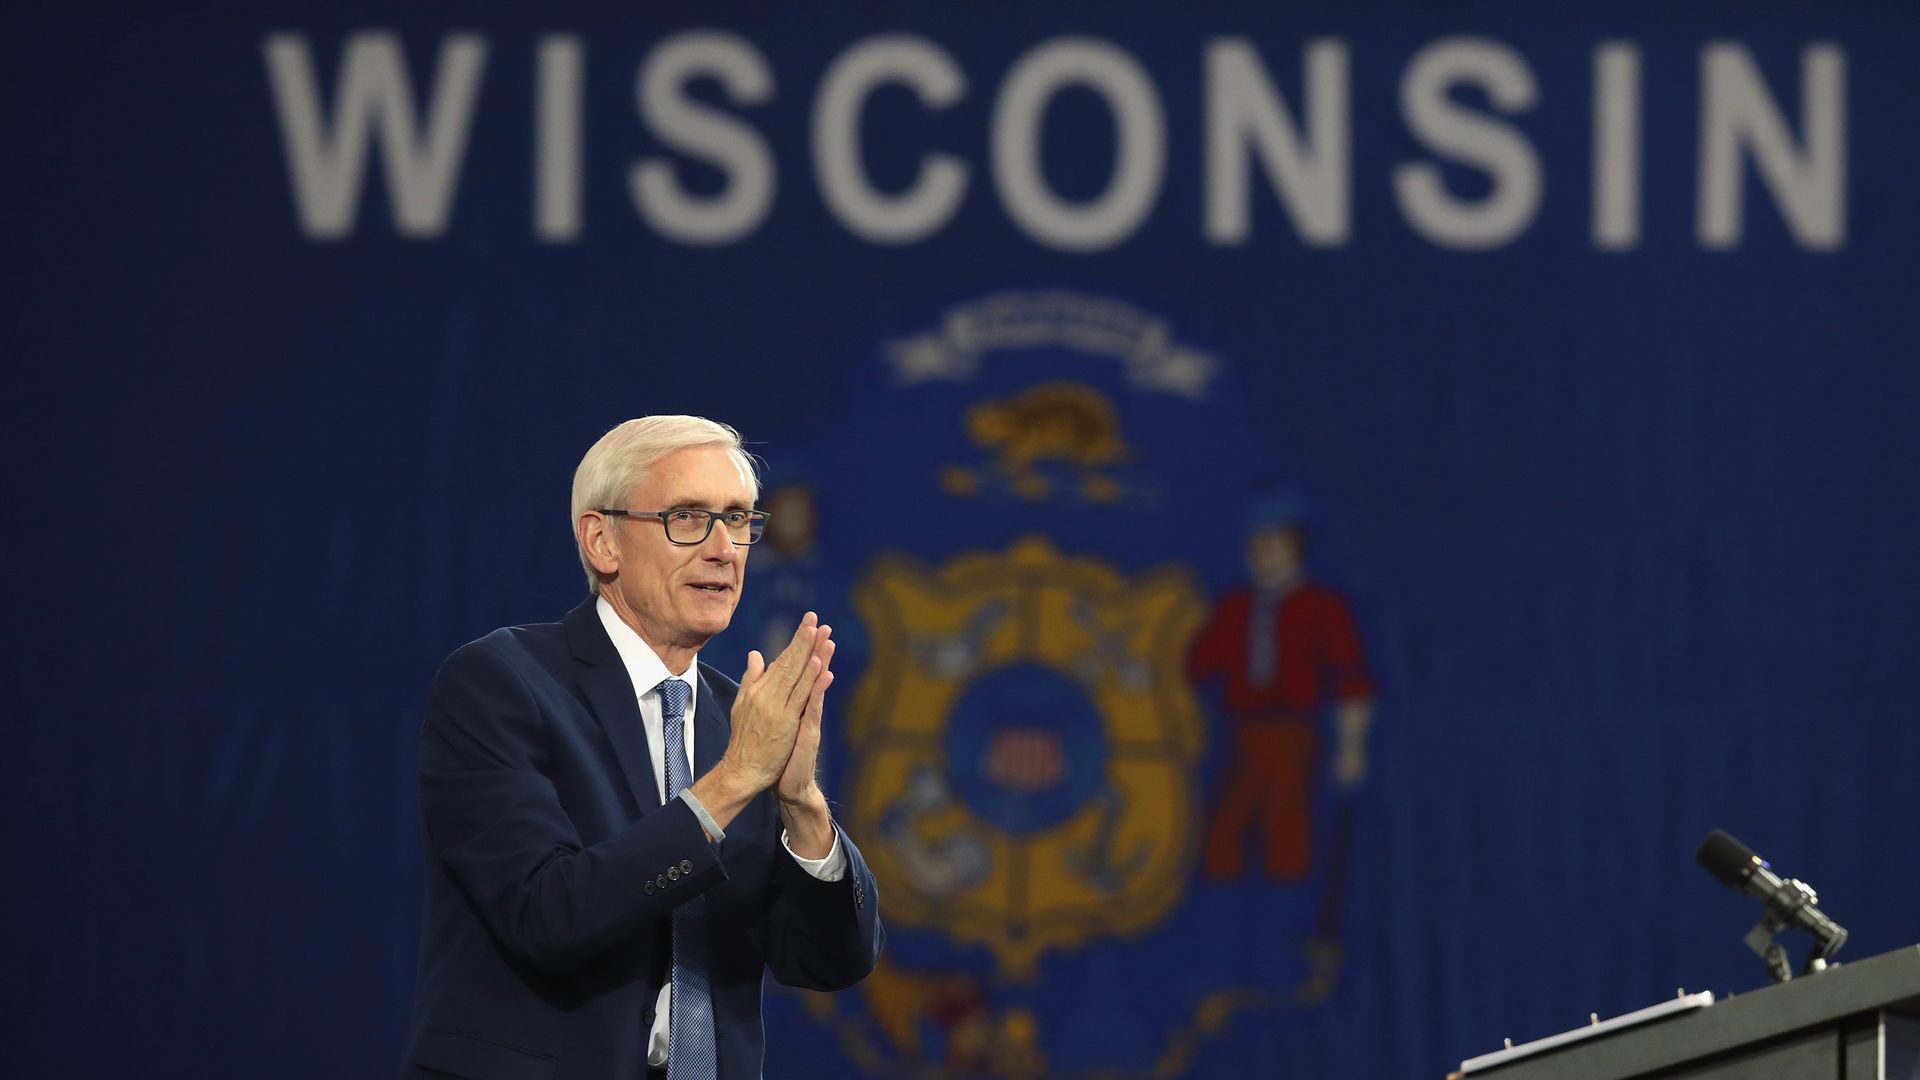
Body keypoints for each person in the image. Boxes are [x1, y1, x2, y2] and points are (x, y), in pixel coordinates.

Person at [401, 416, 882, 1080]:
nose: (724, 549)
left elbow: (830, 962)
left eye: (738, 519)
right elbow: (547, 915)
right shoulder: (502, 684)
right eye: (687, 517)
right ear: (602, 540)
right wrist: (737, 777)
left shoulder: (736, 717)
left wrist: (802, 803)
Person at [1187, 495, 1374, 881]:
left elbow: (1351, 678)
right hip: (1242, 731)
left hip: (1293, 730)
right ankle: (1226, 911)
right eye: (1254, 546)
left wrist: (1351, 746)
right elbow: (1199, 665)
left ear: (1294, 548)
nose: (1260, 555)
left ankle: (1286, 912)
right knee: (1223, 832)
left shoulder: (1323, 607)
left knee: (1286, 829)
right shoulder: (1236, 606)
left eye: (1271, 545)